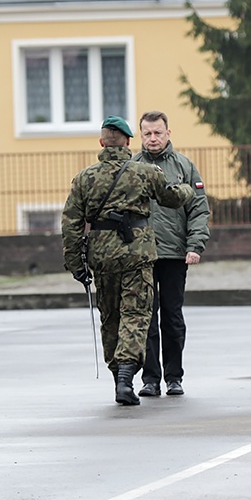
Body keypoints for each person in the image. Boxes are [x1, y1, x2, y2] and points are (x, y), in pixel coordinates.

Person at [62, 115, 194, 406]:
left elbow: (70, 224)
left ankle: (117, 378)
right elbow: (172, 198)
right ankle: (126, 378)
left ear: (101, 143)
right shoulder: (145, 172)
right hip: (137, 255)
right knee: (136, 316)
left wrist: (76, 265)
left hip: (102, 257)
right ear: (128, 142)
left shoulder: (85, 178)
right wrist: (187, 188)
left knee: (110, 317)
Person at [131, 111, 210, 397]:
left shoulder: (184, 166)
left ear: (168, 133)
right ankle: (150, 379)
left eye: (158, 133)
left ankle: (174, 377)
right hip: (141, 256)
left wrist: (194, 245)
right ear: (141, 135)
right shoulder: (132, 167)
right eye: (147, 133)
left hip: (175, 255)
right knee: (146, 319)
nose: (153, 138)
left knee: (172, 317)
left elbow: (199, 209)